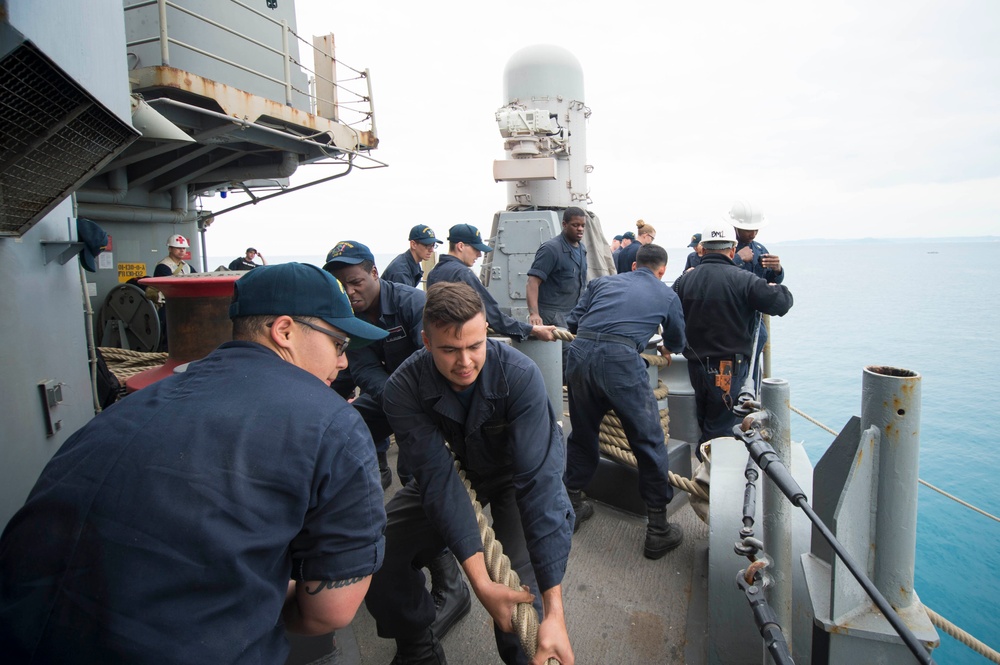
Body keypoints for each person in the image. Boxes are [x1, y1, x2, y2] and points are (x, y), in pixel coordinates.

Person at [0, 263, 389, 663]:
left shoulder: (129, 408)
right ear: (285, 331)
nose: (342, 363)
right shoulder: (332, 423)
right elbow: (330, 610)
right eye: (339, 345)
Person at [364, 282, 575, 665]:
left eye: (475, 346)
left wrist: (555, 609)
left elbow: (540, 485)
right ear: (426, 343)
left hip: (514, 479)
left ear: (486, 335)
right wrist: (479, 582)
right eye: (449, 349)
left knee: (520, 591)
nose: (465, 362)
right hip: (456, 472)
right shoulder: (403, 389)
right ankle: (417, 645)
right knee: (380, 551)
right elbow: (438, 482)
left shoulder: (520, 376)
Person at [322, 240, 473, 644]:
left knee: (417, 473)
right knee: (344, 429)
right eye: (341, 286)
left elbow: (440, 359)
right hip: (391, 396)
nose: (350, 292)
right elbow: (366, 372)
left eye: (355, 281)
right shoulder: (347, 321)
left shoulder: (410, 303)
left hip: (433, 398)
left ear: (373, 273)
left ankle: (449, 580)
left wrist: (410, 409)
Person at [562, 244, 687, 559]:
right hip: (620, 363)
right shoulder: (666, 293)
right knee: (648, 441)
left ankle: (573, 505)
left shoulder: (602, 282)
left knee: (583, 434)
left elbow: (574, 323)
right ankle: (658, 531)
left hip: (578, 357)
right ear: (661, 271)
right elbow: (676, 341)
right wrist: (662, 347)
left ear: (633, 265)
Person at [673, 224, 793, 444]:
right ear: (732, 250)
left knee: (706, 419)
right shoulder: (743, 280)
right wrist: (778, 286)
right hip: (727, 370)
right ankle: (710, 473)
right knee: (722, 430)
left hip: (696, 367)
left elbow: (670, 310)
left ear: (703, 249)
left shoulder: (684, 280)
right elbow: (781, 303)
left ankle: (704, 464)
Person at [427, 223, 556, 342]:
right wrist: (531, 329)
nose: (479, 254)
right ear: (460, 246)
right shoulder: (463, 274)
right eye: (475, 249)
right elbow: (491, 313)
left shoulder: (433, 273)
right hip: (460, 340)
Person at [526, 206, 588, 328]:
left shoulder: (582, 249)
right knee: (563, 347)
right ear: (564, 224)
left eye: (583, 225)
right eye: (575, 225)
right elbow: (532, 282)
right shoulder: (551, 249)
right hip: (552, 314)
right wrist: (534, 314)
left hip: (574, 313)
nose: (580, 229)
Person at [729, 201, 784, 284]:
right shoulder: (722, 249)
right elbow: (715, 276)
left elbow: (770, 281)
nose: (753, 235)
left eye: (756, 230)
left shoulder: (760, 250)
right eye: (748, 230)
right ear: (735, 226)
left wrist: (777, 270)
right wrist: (738, 259)